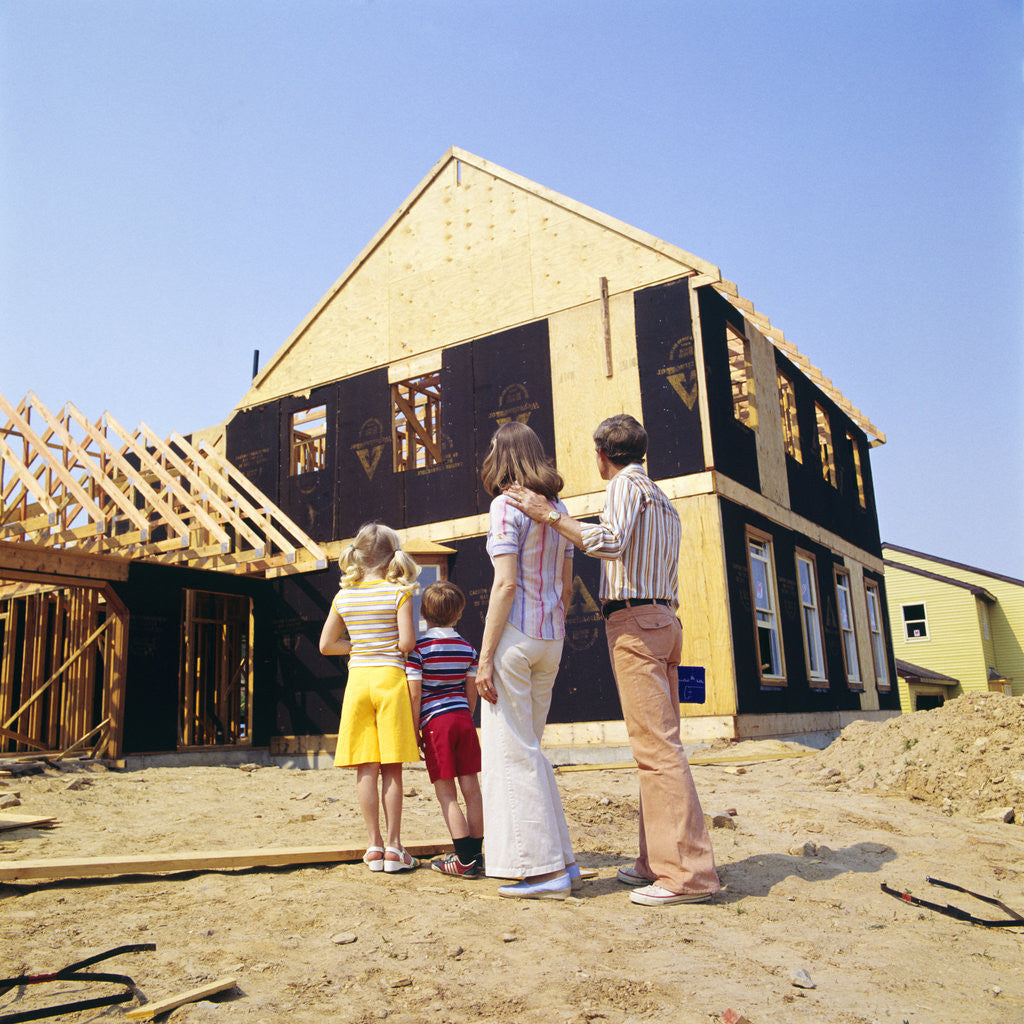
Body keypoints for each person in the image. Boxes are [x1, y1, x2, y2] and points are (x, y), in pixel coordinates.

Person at [507, 413, 721, 907]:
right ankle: (655, 861)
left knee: (657, 750)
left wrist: (547, 515)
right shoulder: (661, 498)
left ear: (602, 456)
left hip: (637, 622)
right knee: (658, 746)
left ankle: (687, 876)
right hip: (664, 620)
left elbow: (610, 542)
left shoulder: (624, 485)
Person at [475, 421, 581, 900]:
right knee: (530, 749)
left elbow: (505, 585)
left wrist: (484, 659)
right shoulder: (558, 509)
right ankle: (563, 862)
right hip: (550, 638)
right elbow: (565, 588)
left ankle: (542, 872)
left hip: (515, 639)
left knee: (511, 753)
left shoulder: (505, 507)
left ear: (503, 456)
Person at [319, 522, 421, 874]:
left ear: (358, 556)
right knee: (392, 766)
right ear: (393, 556)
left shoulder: (344, 596)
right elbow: (407, 643)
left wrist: (358, 646)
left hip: (358, 682)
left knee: (366, 766)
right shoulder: (399, 592)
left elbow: (326, 645)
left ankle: (373, 845)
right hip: (390, 680)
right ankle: (394, 847)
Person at [405, 580, 484, 878]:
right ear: (459, 613)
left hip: (436, 725)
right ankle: (476, 855)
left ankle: (463, 860)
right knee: (472, 790)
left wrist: (414, 730)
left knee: (446, 793)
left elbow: (415, 695)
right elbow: (471, 692)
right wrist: (466, 717)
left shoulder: (419, 650)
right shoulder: (468, 648)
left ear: (423, 613)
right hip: (463, 720)